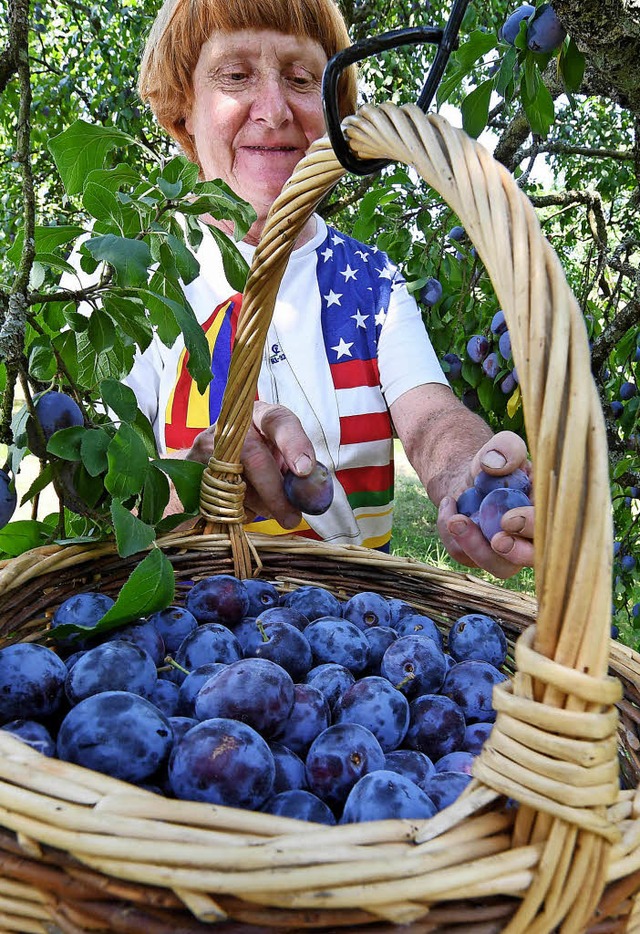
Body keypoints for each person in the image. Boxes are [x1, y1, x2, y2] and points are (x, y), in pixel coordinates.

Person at [131, 0, 534, 579]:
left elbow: (430, 420)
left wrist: (470, 473)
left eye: (301, 79)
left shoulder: (370, 284)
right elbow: (107, 505)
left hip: (355, 641)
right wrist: (198, 481)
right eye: (235, 76)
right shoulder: (134, 290)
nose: (272, 112)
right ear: (183, 112)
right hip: (187, 638)